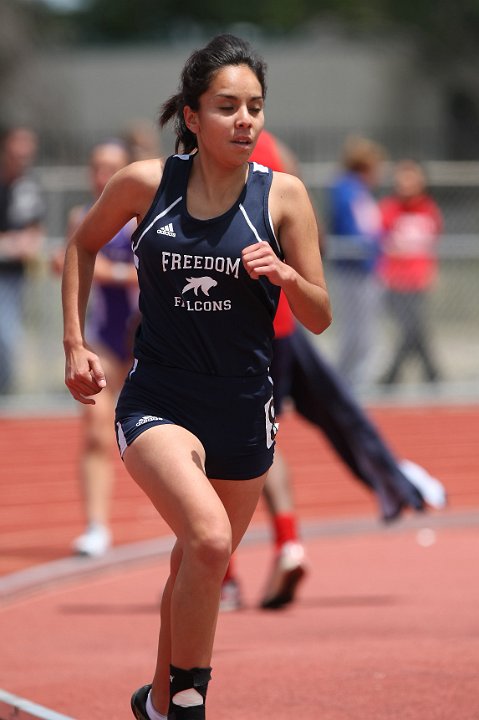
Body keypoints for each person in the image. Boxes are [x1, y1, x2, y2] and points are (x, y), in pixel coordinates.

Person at [61, 34, 332, 720]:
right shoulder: (145, 184)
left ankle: (153, 702)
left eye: (255, 107)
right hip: (159, 398)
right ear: (191, 116)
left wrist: (288, 276)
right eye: (227, 107)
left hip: (243, 406)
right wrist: (74, 343)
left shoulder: (285, 197)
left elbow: (320, 315)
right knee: (208, 541)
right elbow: (83, 244)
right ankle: (187, 705)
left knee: (193, 567)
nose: (245, 120)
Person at [221, 130, 447, 612]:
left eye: (251, 105)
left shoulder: (216, 155)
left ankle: (229, 572)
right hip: (277, 322)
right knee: (280, 427)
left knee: (234, 441)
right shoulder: (274, 150)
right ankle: (293, 540)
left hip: (245, 326)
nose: (243, 117)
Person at [53, 139, 138, 557]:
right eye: (96, 166)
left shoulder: (144, 216)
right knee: (95, 432)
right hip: (102, 340)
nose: (102, 174)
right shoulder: (81, 218)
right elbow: (68, 261)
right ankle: (96, 526)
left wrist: (114, 272)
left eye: (111, 166)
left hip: (145, 344)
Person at [378, 159, 443, 384]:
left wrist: (431, 272)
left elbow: (432, 244)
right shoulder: (389, 209)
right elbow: (380, 242)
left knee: (414, 329)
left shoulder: (429, 209)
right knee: (411, 329)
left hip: (418, 281)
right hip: (395, 281)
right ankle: (430, 373)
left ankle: (407, 375)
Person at [329, 135, 385, 389]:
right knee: (356, 332)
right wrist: (373, 247)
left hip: (365, 268)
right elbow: (353, 230)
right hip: (354, 269)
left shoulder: (358, 191)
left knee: (364, 330)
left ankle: (352, 380)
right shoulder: (347, 189)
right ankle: (347, 381)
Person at [0, 126, 45, 393]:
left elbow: (34, 233)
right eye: (18, 146)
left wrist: (22, 242)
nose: (24, 153)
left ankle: (6, 391)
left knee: (9, 334)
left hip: (13, 276)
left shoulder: (28, 186)